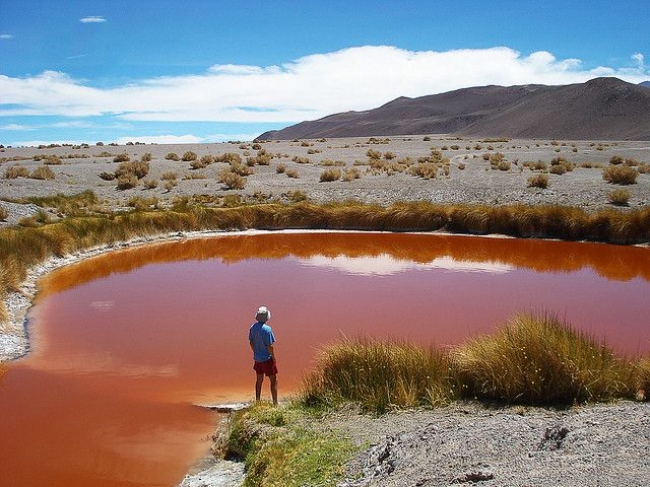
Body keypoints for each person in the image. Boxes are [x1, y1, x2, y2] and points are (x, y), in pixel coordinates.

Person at [249, 305, 278, 405]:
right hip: (267, 359)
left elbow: (251, 342)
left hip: (257, 359)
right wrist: (273, 358)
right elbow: (270, 346)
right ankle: (275, 403)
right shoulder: (267, 329)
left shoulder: (253, 327)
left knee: (259, 380)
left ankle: (258, 401)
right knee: (273, 380)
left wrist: (255, 352)